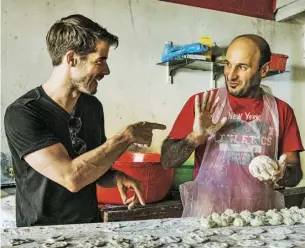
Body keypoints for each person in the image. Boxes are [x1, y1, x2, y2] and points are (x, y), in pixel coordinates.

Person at [4, 14, 166, 227]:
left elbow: (94, 167)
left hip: (89, 228)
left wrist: (115, 177)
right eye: (100, 60)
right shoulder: (23, 113)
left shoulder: (92, 107)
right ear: (71, 59)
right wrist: (125, 138)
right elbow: (72, 177)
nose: (106, 71)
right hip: (41, 236)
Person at [161, 34, 303, 217]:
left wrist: (281, 173)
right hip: (207, 218)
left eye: (242, 67)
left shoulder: (281, 111)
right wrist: (195, 138)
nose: (230, 74)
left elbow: (295, 174)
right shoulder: (203, 104)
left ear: (264, 70)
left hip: (259, 220)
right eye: (227, 64)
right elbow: (167, 161)